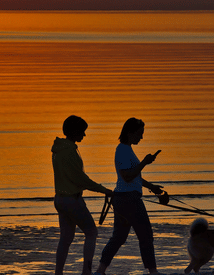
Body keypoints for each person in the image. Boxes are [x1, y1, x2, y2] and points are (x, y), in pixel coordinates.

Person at [95, 117, 164, 275]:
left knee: (119, 238)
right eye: (140, 133)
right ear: (130, 133)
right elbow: (127, 176)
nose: (141, 137)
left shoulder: (125, 149)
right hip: (129, 200)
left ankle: (100, 270)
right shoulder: (123, 150)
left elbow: (133, 175)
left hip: (122, 199)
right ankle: (153, 272)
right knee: (145, 236)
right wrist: (144, 162)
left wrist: (151, 187)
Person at [52, 115, 113, 275]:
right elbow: (81, 179)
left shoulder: (59, 149)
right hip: (72, 200)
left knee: (65, 239)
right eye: (82, 131)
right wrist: (104, 190)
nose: (84, 135)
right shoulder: (70, 151)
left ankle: (58, 273)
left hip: (59, 199)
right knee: (91, 232)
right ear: (74, 131)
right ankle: (86, 272)